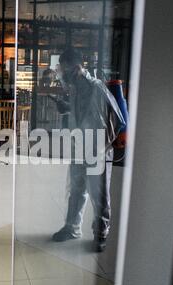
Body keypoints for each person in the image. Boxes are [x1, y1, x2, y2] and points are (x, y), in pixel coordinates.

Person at [51, 48, 127, 252]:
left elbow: (119, 119)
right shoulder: (75, 87)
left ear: (76, 69)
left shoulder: (97, 87)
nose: (62, 74)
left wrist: (101, 148)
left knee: (99, 195)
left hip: (98, 152)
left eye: (64, 70)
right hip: (79, 149)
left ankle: (100, 234)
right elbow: (84, 113)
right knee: (76, 191)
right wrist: (65, 107)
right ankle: (72, 228)